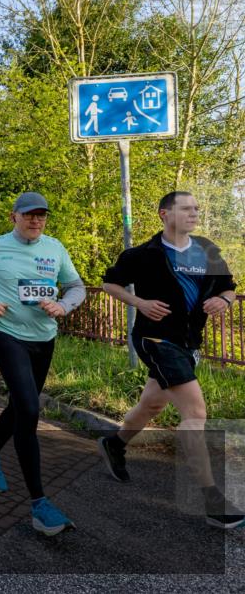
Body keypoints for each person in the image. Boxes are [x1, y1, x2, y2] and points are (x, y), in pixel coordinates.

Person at [99, 191, 243, 529]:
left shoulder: (206, 251)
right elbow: (109, 284)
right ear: (164, 214)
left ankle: (114, 444)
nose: (194, 213)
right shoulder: (142, 254)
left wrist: (224, 301)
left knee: (152, 404)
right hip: (155, 339)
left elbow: (229, 287)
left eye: (197, 208)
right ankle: (212, 500)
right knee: (195, 413)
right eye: (186, 208)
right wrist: (140, 303)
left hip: (188, 342)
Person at [0, 192, 86, 536]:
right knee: (29, 409)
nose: (35, 220)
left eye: (41, 215)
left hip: (44, 338)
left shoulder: (55, 248)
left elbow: (76, 286)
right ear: (14, 217)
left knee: (19, 405)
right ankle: (40, 504)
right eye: (28, 215)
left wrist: (64, 306)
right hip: (5, 333)